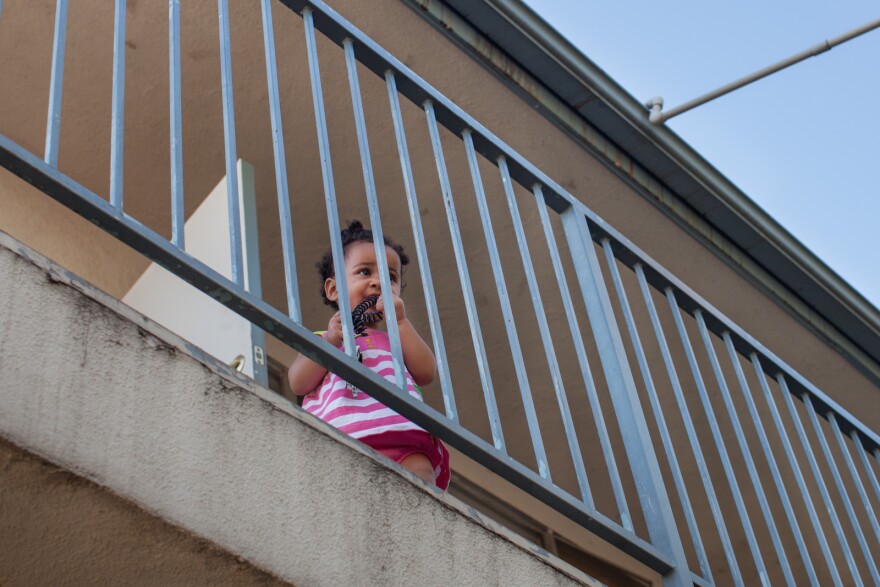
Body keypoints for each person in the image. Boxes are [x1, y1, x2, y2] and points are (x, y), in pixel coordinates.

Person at [287, 220, 450, 490]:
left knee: (421, 470)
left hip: (402, 431)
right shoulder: (324, 339)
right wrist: (330, 340)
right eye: (364, 272)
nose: (378, 282)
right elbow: (298, 382)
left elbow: (426, 372)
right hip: (346, 433)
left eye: (391, 278)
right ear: (334, 289)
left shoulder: (398, 339)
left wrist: (400, 322)